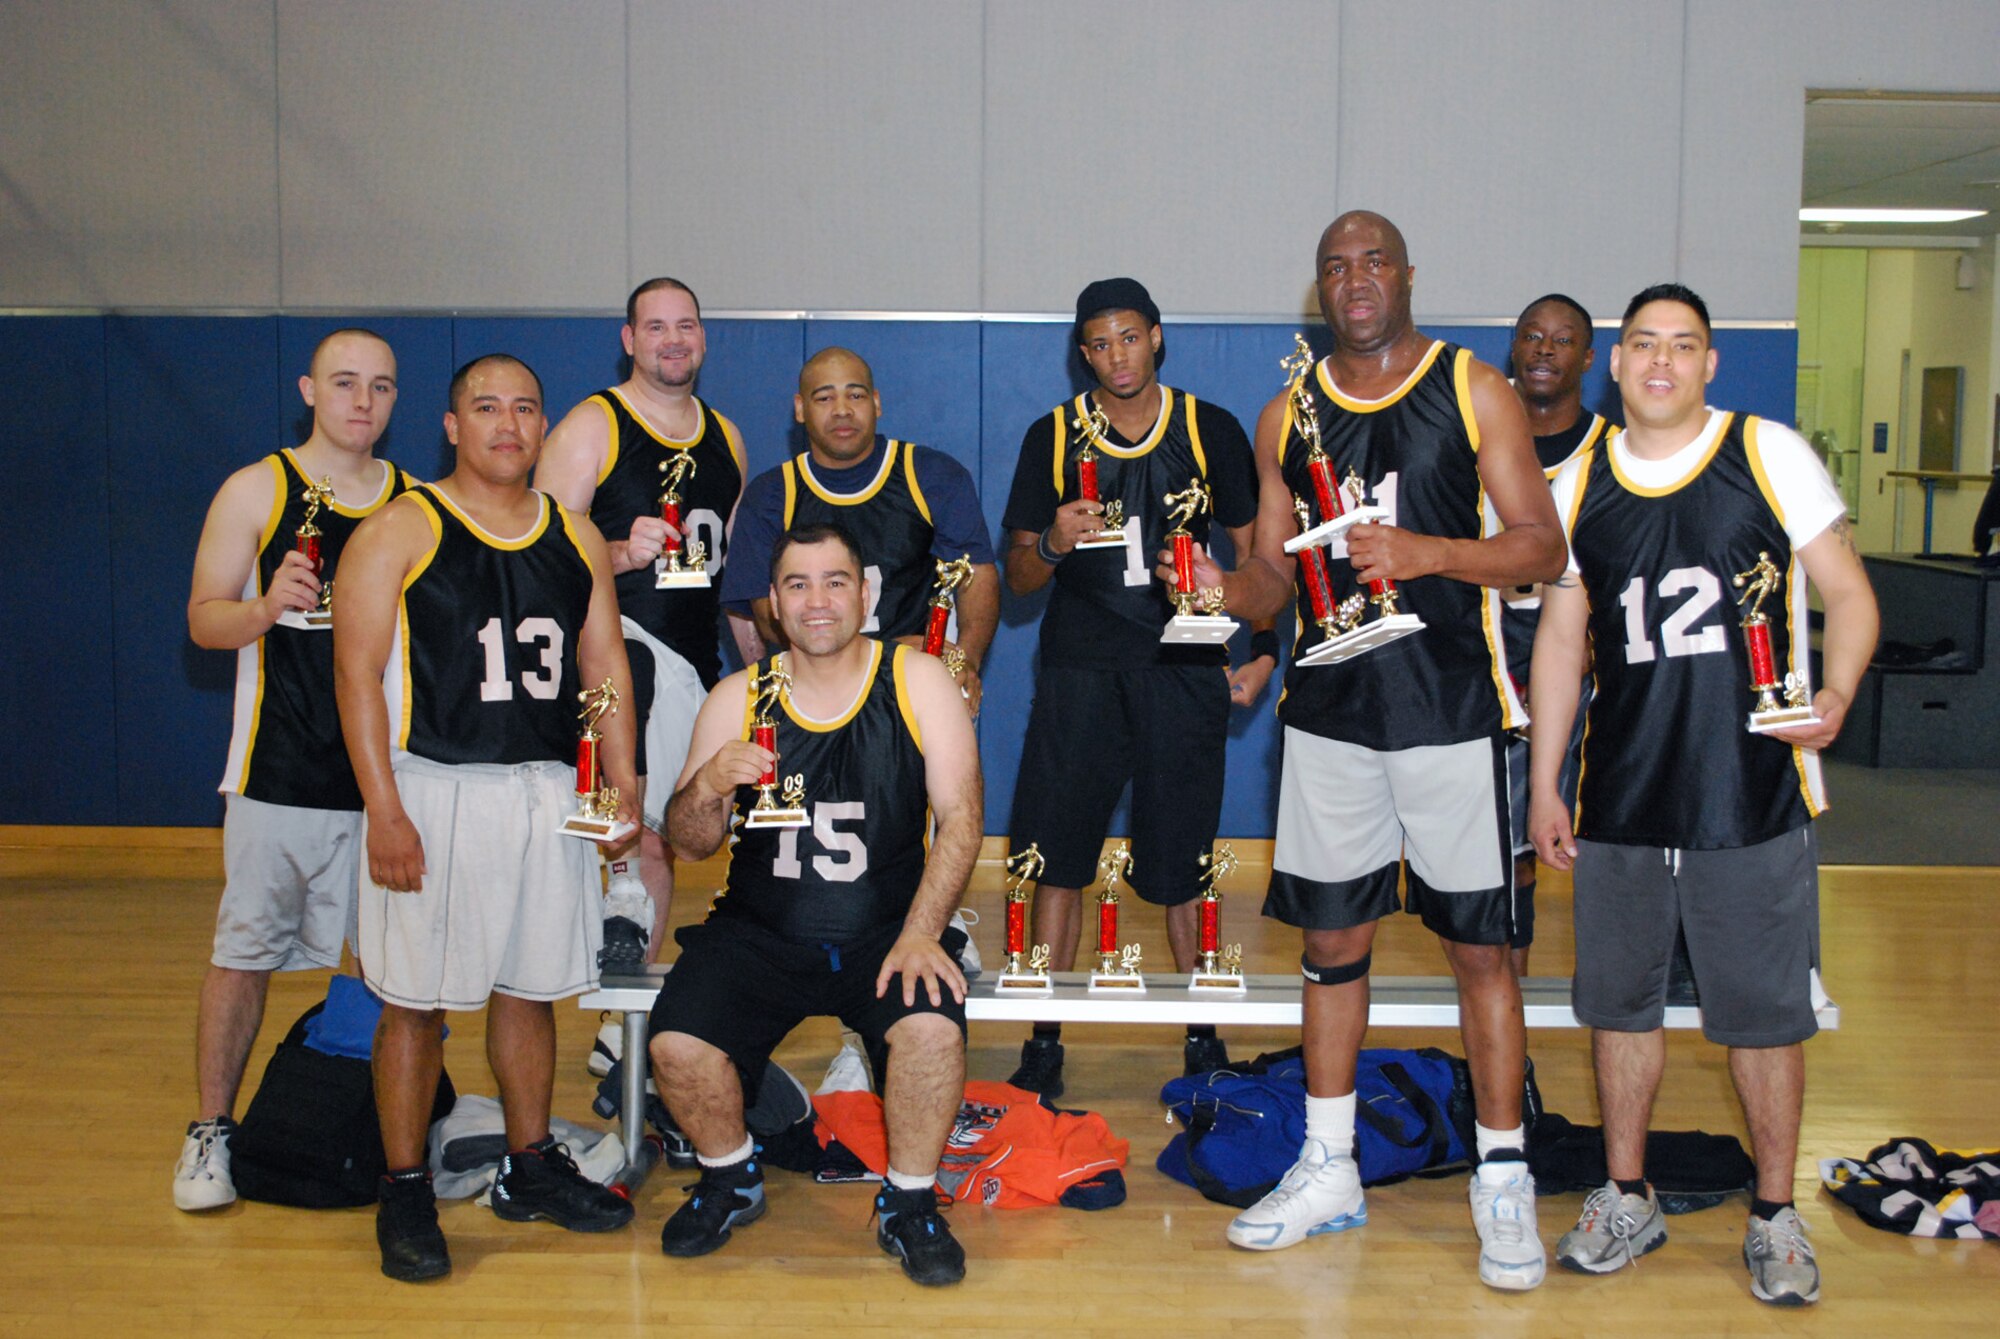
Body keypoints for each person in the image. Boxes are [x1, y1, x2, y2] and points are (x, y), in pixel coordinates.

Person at [1184, 212, 1567, 1290]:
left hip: (1452, 710)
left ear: (1405, 275)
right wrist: (1221, 593)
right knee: (1330, 945)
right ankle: (1328, 1162)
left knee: (1480, 951)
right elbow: (1271, 576)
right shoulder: (1285, 414)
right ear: (1319, 290)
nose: (1354, 281)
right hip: (1330, 714)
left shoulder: (1471, 387)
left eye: (1372, 263)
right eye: (1334, 268)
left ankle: (1502, 1172)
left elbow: (1541, 546)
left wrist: (1426, 552)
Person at [1530, 283, 1879, 1307]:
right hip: (1623, 794)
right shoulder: (1576, 481)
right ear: (1615, 362)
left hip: (1749, 791)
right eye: (1643, 343)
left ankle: (1774, 1212)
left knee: (1764, 1020)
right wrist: (1546, 779)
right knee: (1619, 1009)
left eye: (1683, 346)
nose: (1661, 361)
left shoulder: (1766, 453)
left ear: (1709, 364)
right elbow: (1560, 642)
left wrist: (1837, 692)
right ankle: (1624, 1193)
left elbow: (1850, 593)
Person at [335, 354, 641, 1282]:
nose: (508, 424)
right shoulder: (401, 526)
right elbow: (355, 676)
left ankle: (530, 1161)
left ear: (544, 424)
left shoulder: (575, 534)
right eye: (486, 407)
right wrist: (383, 808)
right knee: (413, 1001)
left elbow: (603, 662)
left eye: (525, 408)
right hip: (435, 786)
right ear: (451, 425)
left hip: (544, 787)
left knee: (529, 987)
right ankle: (404, 1188)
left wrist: (622, 777)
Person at [649, 522, 981, 1287]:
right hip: (761, 931)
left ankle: (909, 1202)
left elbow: (963, 817)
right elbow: (690, 843)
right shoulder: (738, 696)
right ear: (773, 601)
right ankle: (731, 1175)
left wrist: (924, 932)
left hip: (887, 932)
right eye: (797, 584)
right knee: (676, 1044)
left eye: (835, 581)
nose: (817, 600)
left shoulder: (917, 679)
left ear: (865, 594)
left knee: (931, 1032)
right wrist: (708, 784)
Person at [998, 277, 1271, 1096]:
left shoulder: (1209, 428)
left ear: (1155, 336)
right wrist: (1051, 542)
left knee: (1188, 862)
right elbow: (1016, 578)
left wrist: (1263, 649)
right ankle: (1043, 1037)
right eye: (1099, 342)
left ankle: (1203, 1036)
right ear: (1083, 354)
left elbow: (1261, 559)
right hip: (1080, 671)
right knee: (1057, 859)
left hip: (1182, 670)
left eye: (1128, 336)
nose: (1116, 355)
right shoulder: (1052, 436)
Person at [177, 328, 414, 1211]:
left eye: (380, 386)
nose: (363, 400)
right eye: (345, 383)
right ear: (310, 390)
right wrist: (264, 607)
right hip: (275, 776)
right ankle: (212, 1129)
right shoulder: (257, 488)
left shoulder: (414, 503)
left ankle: (371, 1131)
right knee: (242, 957)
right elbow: (203, 620)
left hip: (382, 785)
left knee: (384, 969)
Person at [536, 277, 751, 1006]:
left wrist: (763, 676)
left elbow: (735, 578)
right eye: (656, 327)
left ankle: (620, 1024)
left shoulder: (726, 437)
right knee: (639, 833)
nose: (673, 340)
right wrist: (622, 554)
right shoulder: (592, 425)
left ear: (703, 337)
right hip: (617, 653)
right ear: (629, 340)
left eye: (685, 325)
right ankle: (607, 983)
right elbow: (537, 554)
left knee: (670, 842)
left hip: (694, 662)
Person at [719, 348, 996, 716]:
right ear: (800, 409)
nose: (842, 410)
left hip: (916, 684)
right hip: (815, 689)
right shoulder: (771, 495)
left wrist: (966, 661)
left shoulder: (932, 475)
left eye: (855, 395)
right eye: (824, 398)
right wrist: (879, 654)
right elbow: (769, 620)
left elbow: (976, 575)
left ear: (876, 403)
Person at [1496, 293, 1610, 975]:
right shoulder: (1476, 440)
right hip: (1490, 651)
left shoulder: (1614, 455)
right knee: (1500, 854)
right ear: (1514, 347)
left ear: (1588, 358)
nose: (1544, 349)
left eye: (1562, 340)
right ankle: (1503, 1004)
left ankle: (1623, 994)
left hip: (1588, 659)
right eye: (1532, 336)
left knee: (1601, 842)